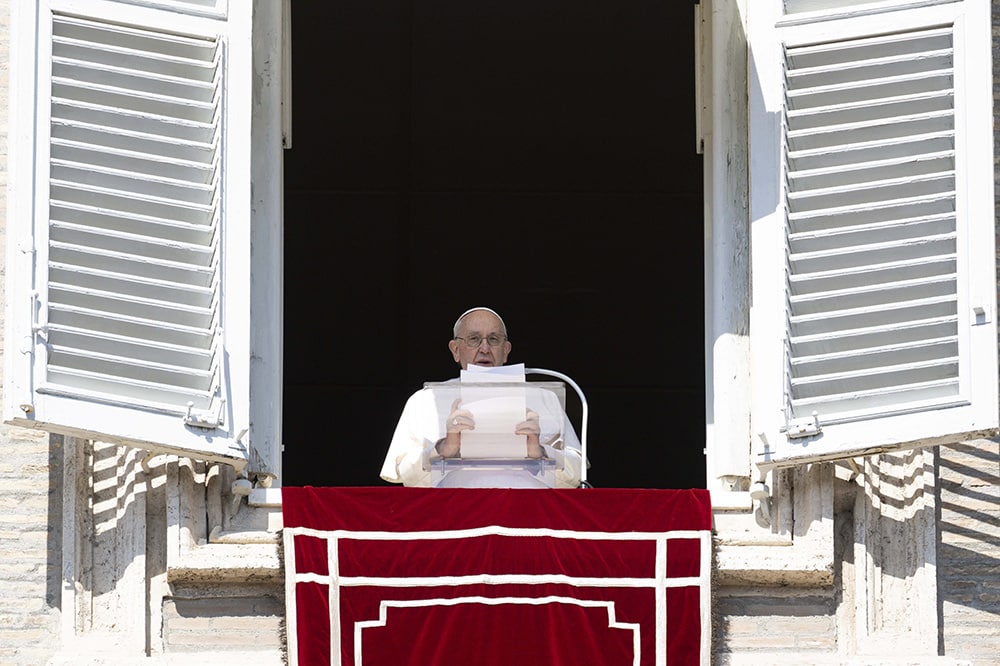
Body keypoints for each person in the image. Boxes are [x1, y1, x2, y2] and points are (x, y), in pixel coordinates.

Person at [379, 307, 584, 488]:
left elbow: (577, 474)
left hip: (527, 512)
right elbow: (405, 476)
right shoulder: (423, 400)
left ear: (506, 350)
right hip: (455, 515)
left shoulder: (544, 397)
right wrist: (444, 448)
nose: (484, 348)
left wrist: (539, 451)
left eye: (493, 339)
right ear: (455, 350)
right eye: (474, 339)